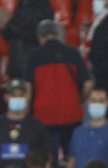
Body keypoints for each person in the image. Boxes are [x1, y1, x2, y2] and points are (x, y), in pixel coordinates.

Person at [26, 19, 89, 155]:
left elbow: (28, 88)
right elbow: (88, 83)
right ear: (59, 35)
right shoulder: (73, 53)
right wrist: (80, 100)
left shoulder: (34, 56)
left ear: (40, 37)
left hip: (44, 116)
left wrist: (26, 115)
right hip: (72, 114)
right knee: (73, 157)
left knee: (48, 159)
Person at [0, 0, 54, 82]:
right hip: (18, 62)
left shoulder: (42, 6)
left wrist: (9, 22)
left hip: (31, 64)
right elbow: (11, 35)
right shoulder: (22, 3)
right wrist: (3, 24)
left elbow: (35, 36)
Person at [0, 78, 52, 168]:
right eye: (13, 95)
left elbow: (47, 157)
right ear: (5, 97)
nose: (17, 98)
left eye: (21, 95)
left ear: (27, 97)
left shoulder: (37, 126)